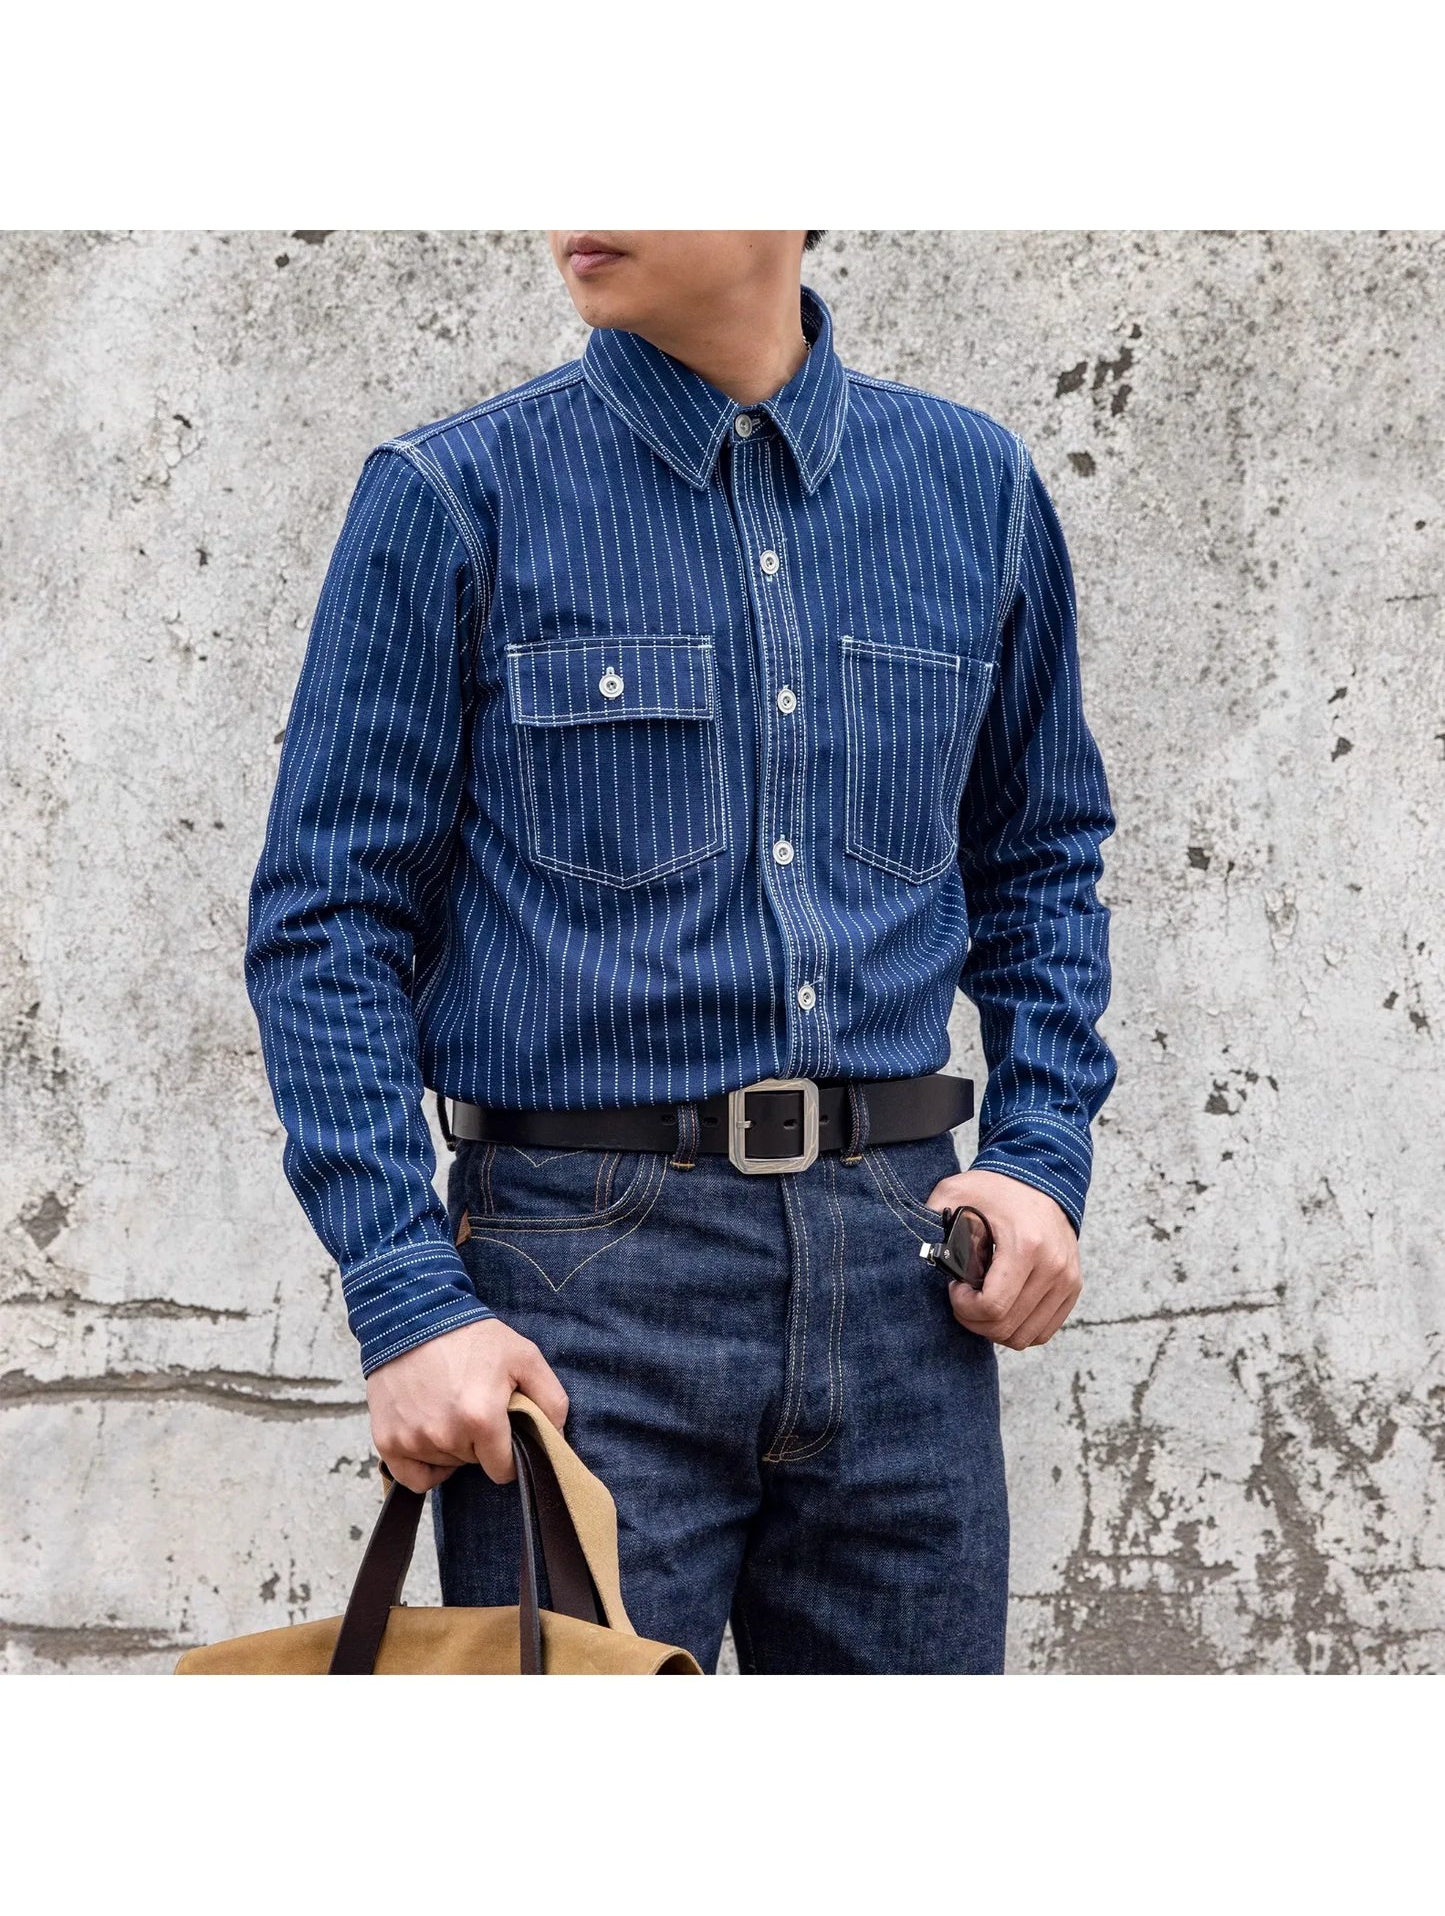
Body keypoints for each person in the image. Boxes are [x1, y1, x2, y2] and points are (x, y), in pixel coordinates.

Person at [245, 230, 1117, 1674]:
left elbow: (1036, 864)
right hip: (582, 1293)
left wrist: (1037, 1157)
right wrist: (405, 1298)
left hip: (908, 1277)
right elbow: (327, 919)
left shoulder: (976, 489)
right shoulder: (454, 498)